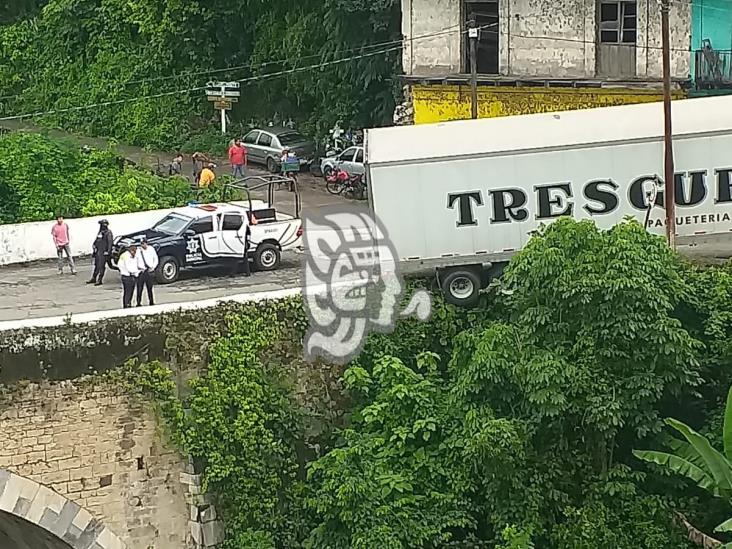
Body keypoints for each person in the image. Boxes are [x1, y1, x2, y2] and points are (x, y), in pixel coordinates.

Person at [87, 219, 113, 286]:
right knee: (96, 265)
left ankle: (100, 279)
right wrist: (94, 245)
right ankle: (94, 277)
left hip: (104, 252)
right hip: (98, 251)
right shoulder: (100, 232)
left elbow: (110, 243)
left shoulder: (108, 232)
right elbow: (97, 240)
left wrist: (108, 251)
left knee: (101, 266)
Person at [135, 238, 159, 307]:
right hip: (141, 271)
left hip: (149, 270)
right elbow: (136, 261)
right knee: (139, 288)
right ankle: (138, 302)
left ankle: (151, 301)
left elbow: (155, 258)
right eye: (141, 244)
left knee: (150, 288)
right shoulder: (138, 251)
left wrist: (153, 267)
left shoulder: (151, 249)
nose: (143, 245)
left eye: (144, 243)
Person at [117, 244, 140, 309]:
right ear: (131, 250)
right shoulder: (126, 256)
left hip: (129, 275)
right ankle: (126, 304)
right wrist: (137, 272)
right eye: (134, 251)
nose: (135, 253)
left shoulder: (128, 255)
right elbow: (129, 267)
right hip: (127, 276)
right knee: (128, 291)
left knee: (130, 291)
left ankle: (128, 303)